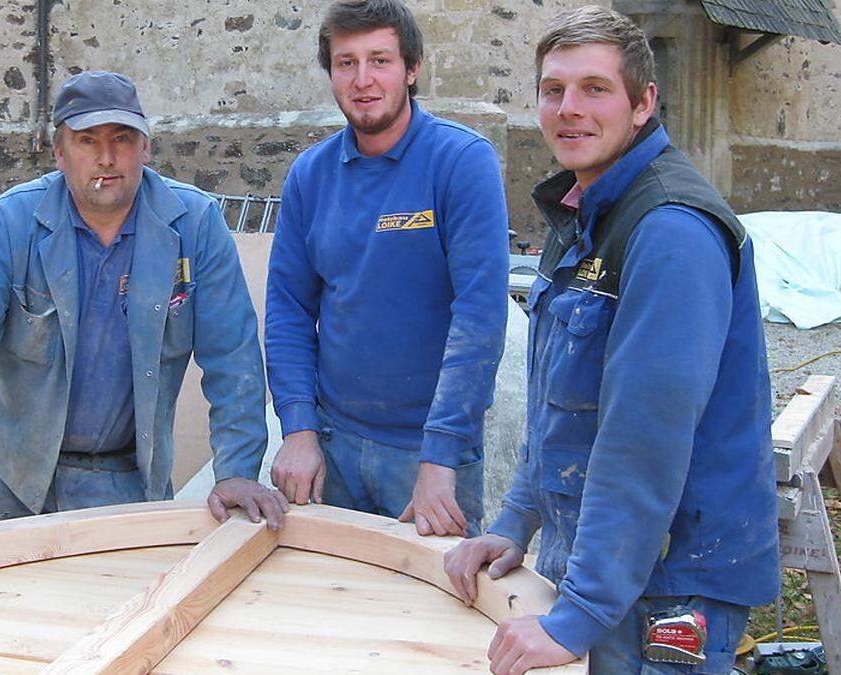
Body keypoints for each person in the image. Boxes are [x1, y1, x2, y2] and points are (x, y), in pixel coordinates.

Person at [443, 6, 779, 674]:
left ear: (643, 103)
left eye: (595, 89)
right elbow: (561, 408)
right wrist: (514, 521)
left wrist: (580, 615)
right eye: (554, 89)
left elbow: (642, 442)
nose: (569, 109)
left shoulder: (669, 231)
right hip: (612, 567)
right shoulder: (586, 212)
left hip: (671, 579)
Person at [0, 71, 287, 543]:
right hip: (10, 479)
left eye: (122, 139)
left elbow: (233, 356)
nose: (107, 158)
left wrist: (235, 469)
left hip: (127, 482)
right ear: (59, 153)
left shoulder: (194, 225)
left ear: (147, 148)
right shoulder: (10, 223)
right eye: (87, 140)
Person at [265, 0, 509, 537]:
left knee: (432, 614)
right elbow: (287, 309)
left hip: (427, 456)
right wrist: (299, 428)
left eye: (380, 60)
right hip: (333, 446)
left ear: (412, 68)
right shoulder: (311, 174)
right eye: (346, 62)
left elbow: (480, 318)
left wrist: (441, 457)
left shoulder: (460, 162)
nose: (363, 79)